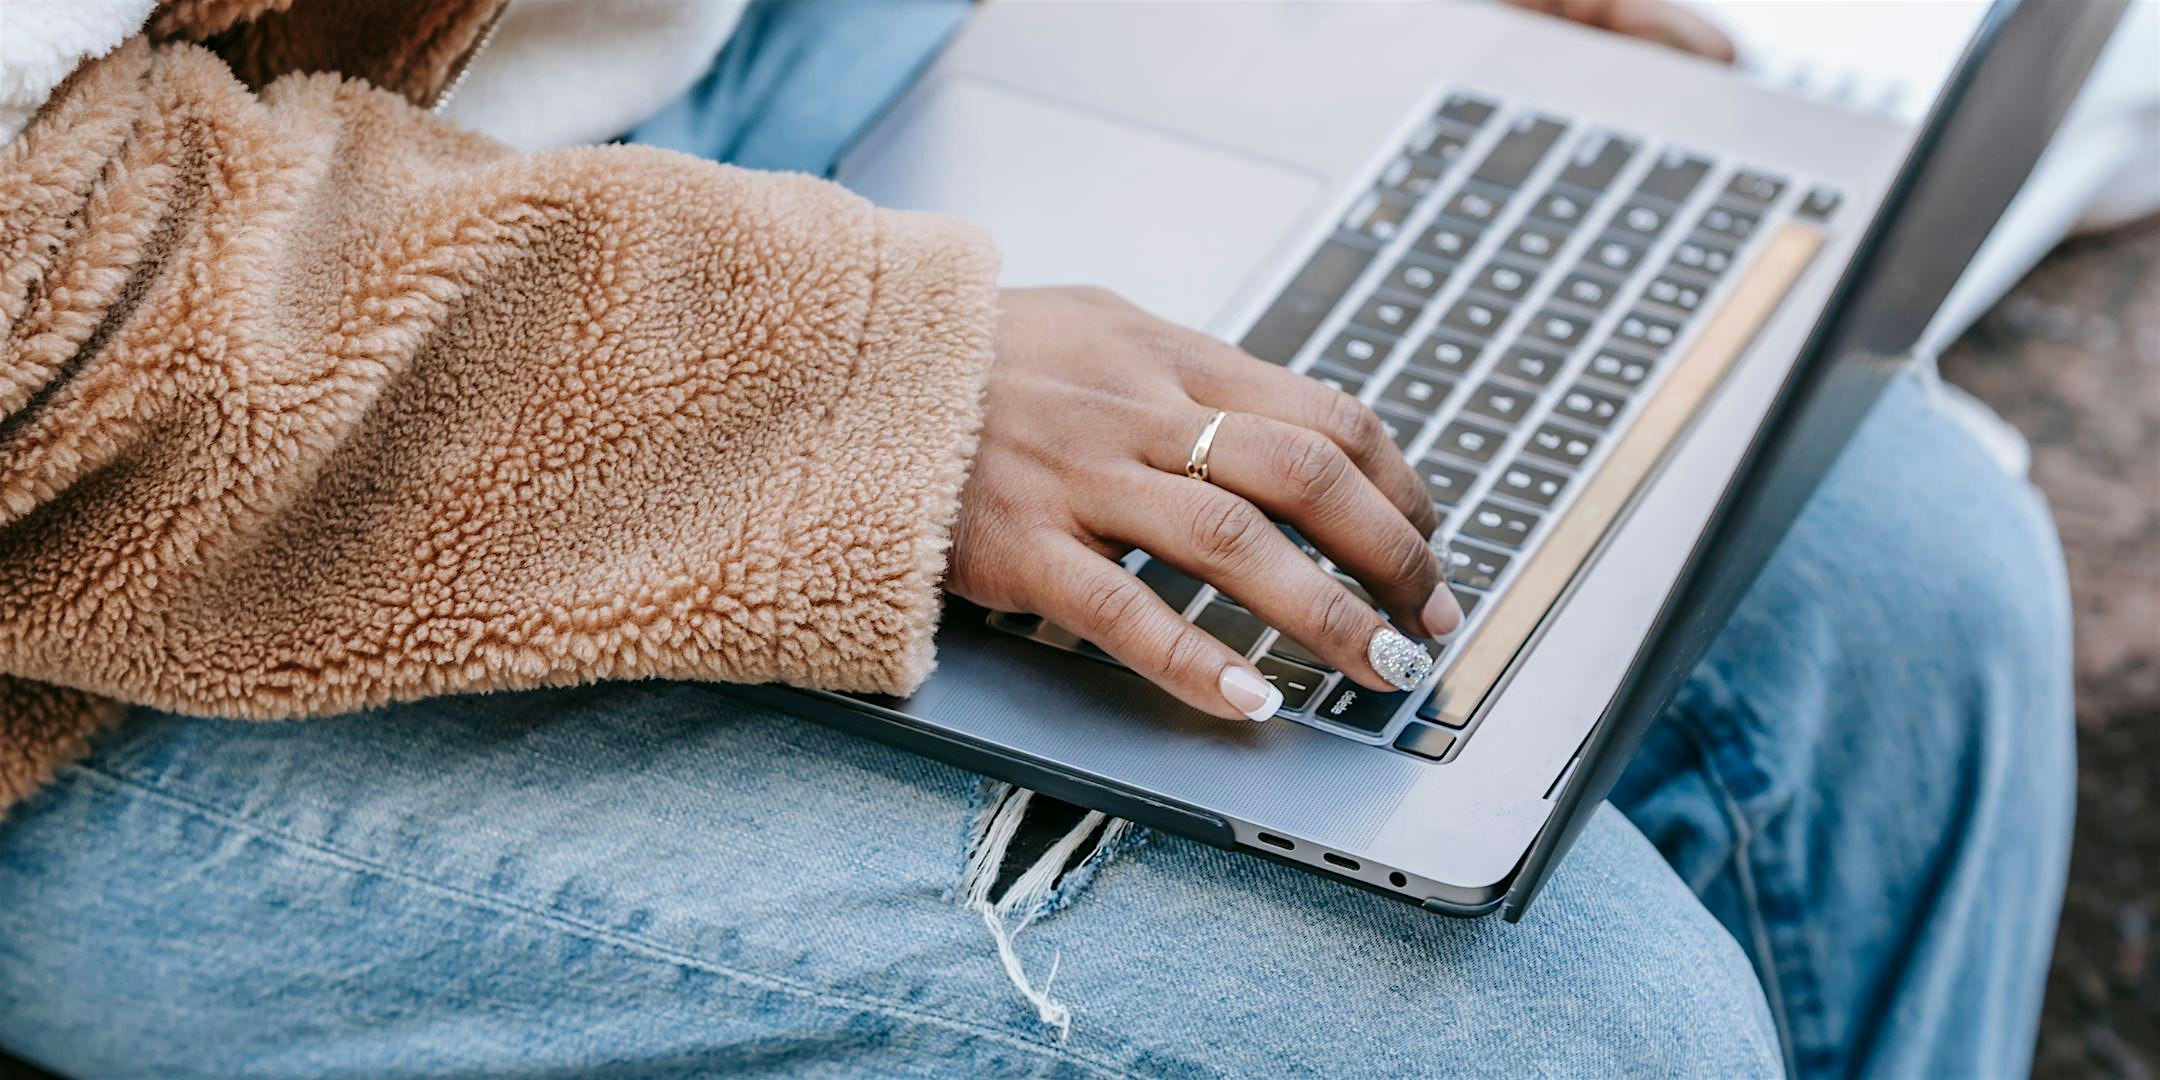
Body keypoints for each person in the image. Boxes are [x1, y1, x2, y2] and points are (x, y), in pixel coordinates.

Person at [0, 1, 2076, 1075]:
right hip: (103, 567)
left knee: (1909, 585)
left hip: (746, 70)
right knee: (1551, 1039)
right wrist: (849, 385)